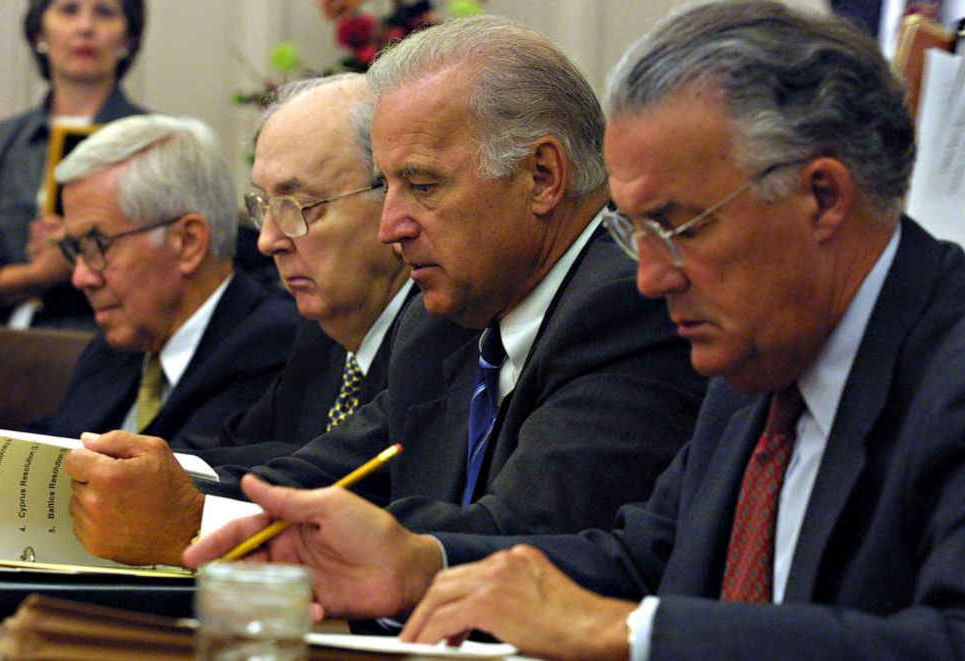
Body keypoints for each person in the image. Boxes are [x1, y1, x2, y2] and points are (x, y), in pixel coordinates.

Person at [186, 3, 965, 660]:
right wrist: (422, 564)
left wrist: (629, 631)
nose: (653, 276)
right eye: (636, 232)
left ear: (821, 197)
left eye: (674, 226)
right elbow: (641, 555)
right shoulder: (759, 356)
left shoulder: (943, 361)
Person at [73, 17, 707, 568]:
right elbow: (320, 474)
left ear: (541, 176)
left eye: (422, 186)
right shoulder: (449, 319)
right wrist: (162, 484)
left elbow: (524, 536)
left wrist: (195, 523)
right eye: (386, 186)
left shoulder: (629, 302)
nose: (390, 227)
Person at [65, 74, 415, 564]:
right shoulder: (321, 341)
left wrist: (188, 511)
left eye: (296, 205)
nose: (268, 239)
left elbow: (349, 491)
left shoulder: (442, 342)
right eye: (264, 207)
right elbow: (240, 453)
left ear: (394, 200)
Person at [30, 113, 298, 445]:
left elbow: (186, 480)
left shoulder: (273, 346)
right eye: (76, 249)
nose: (81, 277)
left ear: (188, 242)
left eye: (98, 245)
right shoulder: (115, 346)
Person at [0, 0, 146, 328]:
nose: (86, 27)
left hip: (109, 340)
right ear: (39, 31)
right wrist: (38, 275)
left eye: (105, 12)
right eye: (69, 10)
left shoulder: (153, 141)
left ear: (128, 39)